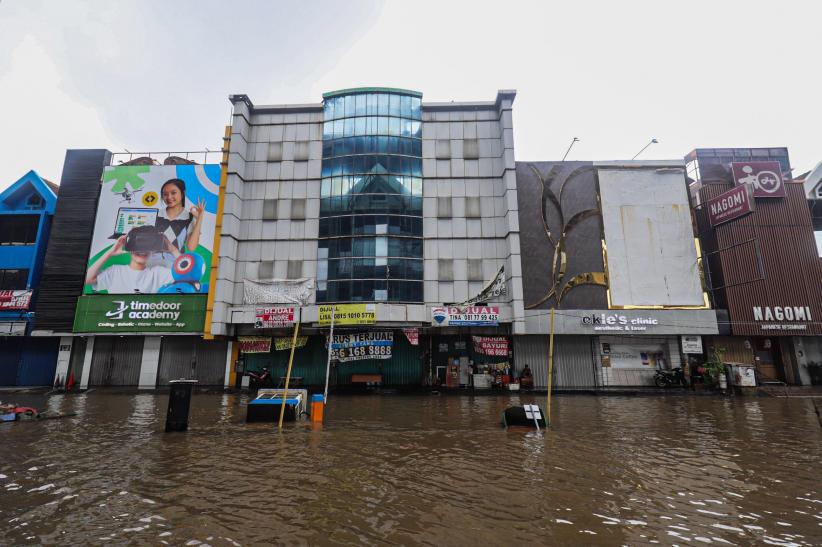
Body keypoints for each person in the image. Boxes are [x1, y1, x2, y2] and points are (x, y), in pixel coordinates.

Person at [86, 234, 178, 293]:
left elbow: (189, 275)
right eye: (137, 246)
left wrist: (173, 250)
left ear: (152, 251)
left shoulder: (158, 273)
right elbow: (87, 279)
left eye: (146, 246)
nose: (142, 250)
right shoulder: (115, 271)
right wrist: (109, 253)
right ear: (129, 249)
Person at [152, 178, 206, 266]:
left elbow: (191, 247)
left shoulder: (189, 217)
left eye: (173, 193)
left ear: (182, 193)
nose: (169, 197)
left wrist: (199, 219)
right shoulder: (156, 215)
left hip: (175, 266)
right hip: (151, 264)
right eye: (165, 194)